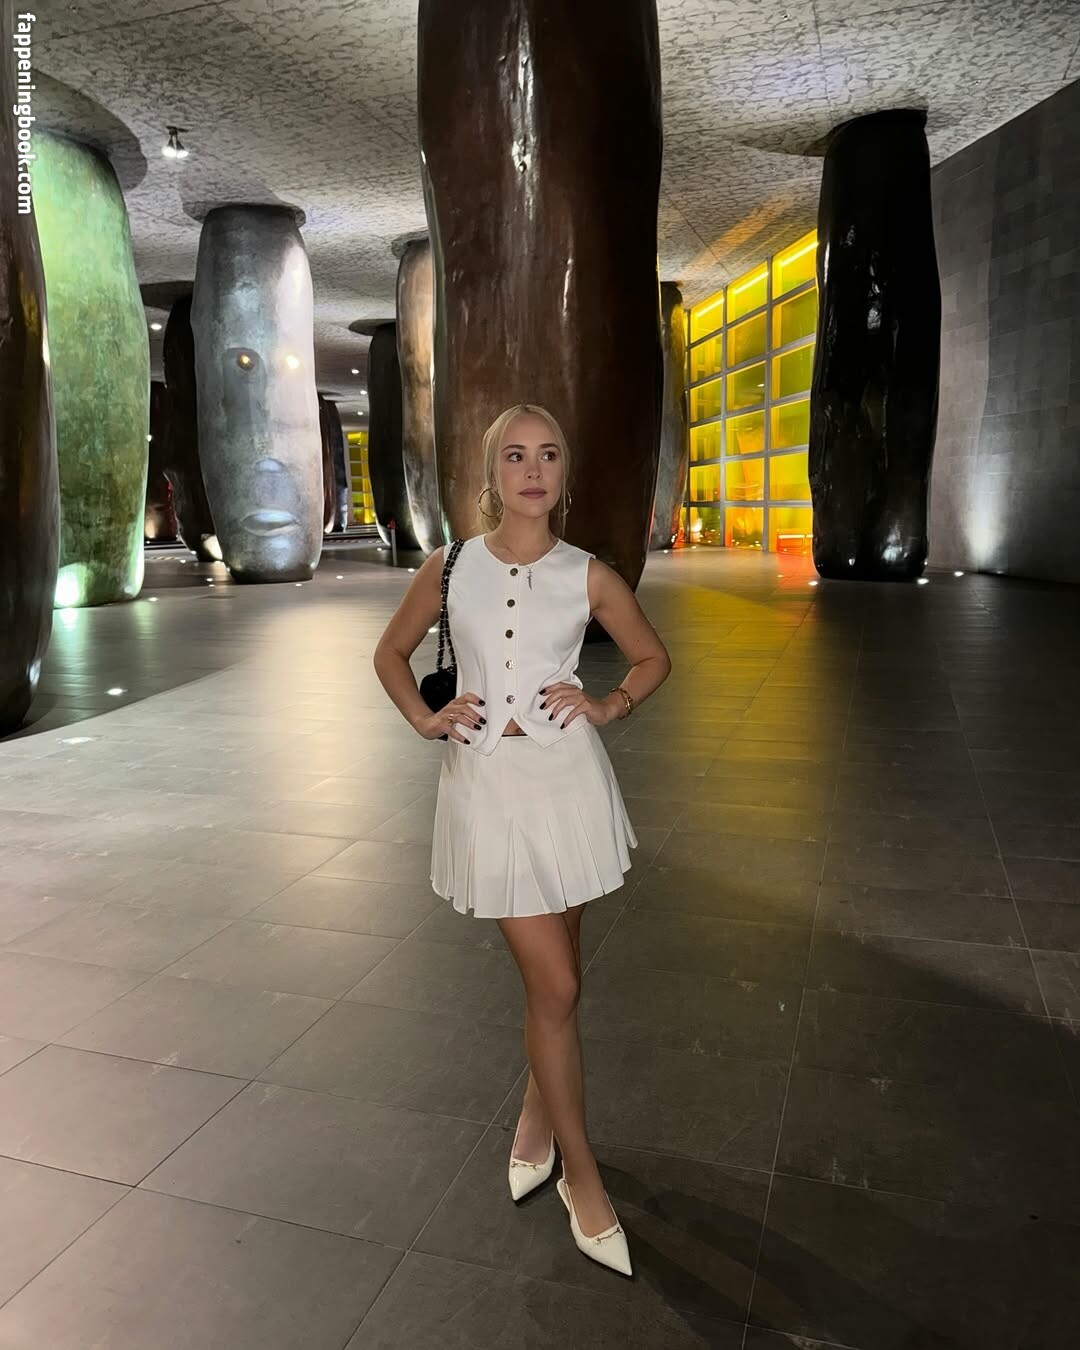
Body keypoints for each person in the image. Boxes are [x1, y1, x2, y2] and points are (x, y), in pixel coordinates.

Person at [372, 402, 671, 1276]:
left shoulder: (589, 574)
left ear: (564, 472)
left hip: (568, 786)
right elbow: (390, 653)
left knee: (558, 984)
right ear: (491, 472)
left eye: (547, 455)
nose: (532, 470)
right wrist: (425, 718)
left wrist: (610, 704)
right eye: (514, 455)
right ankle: (583, 1175)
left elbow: (652, 657)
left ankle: (538, 1116)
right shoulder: (450, 565)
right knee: (560, 982)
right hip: (486, 789)